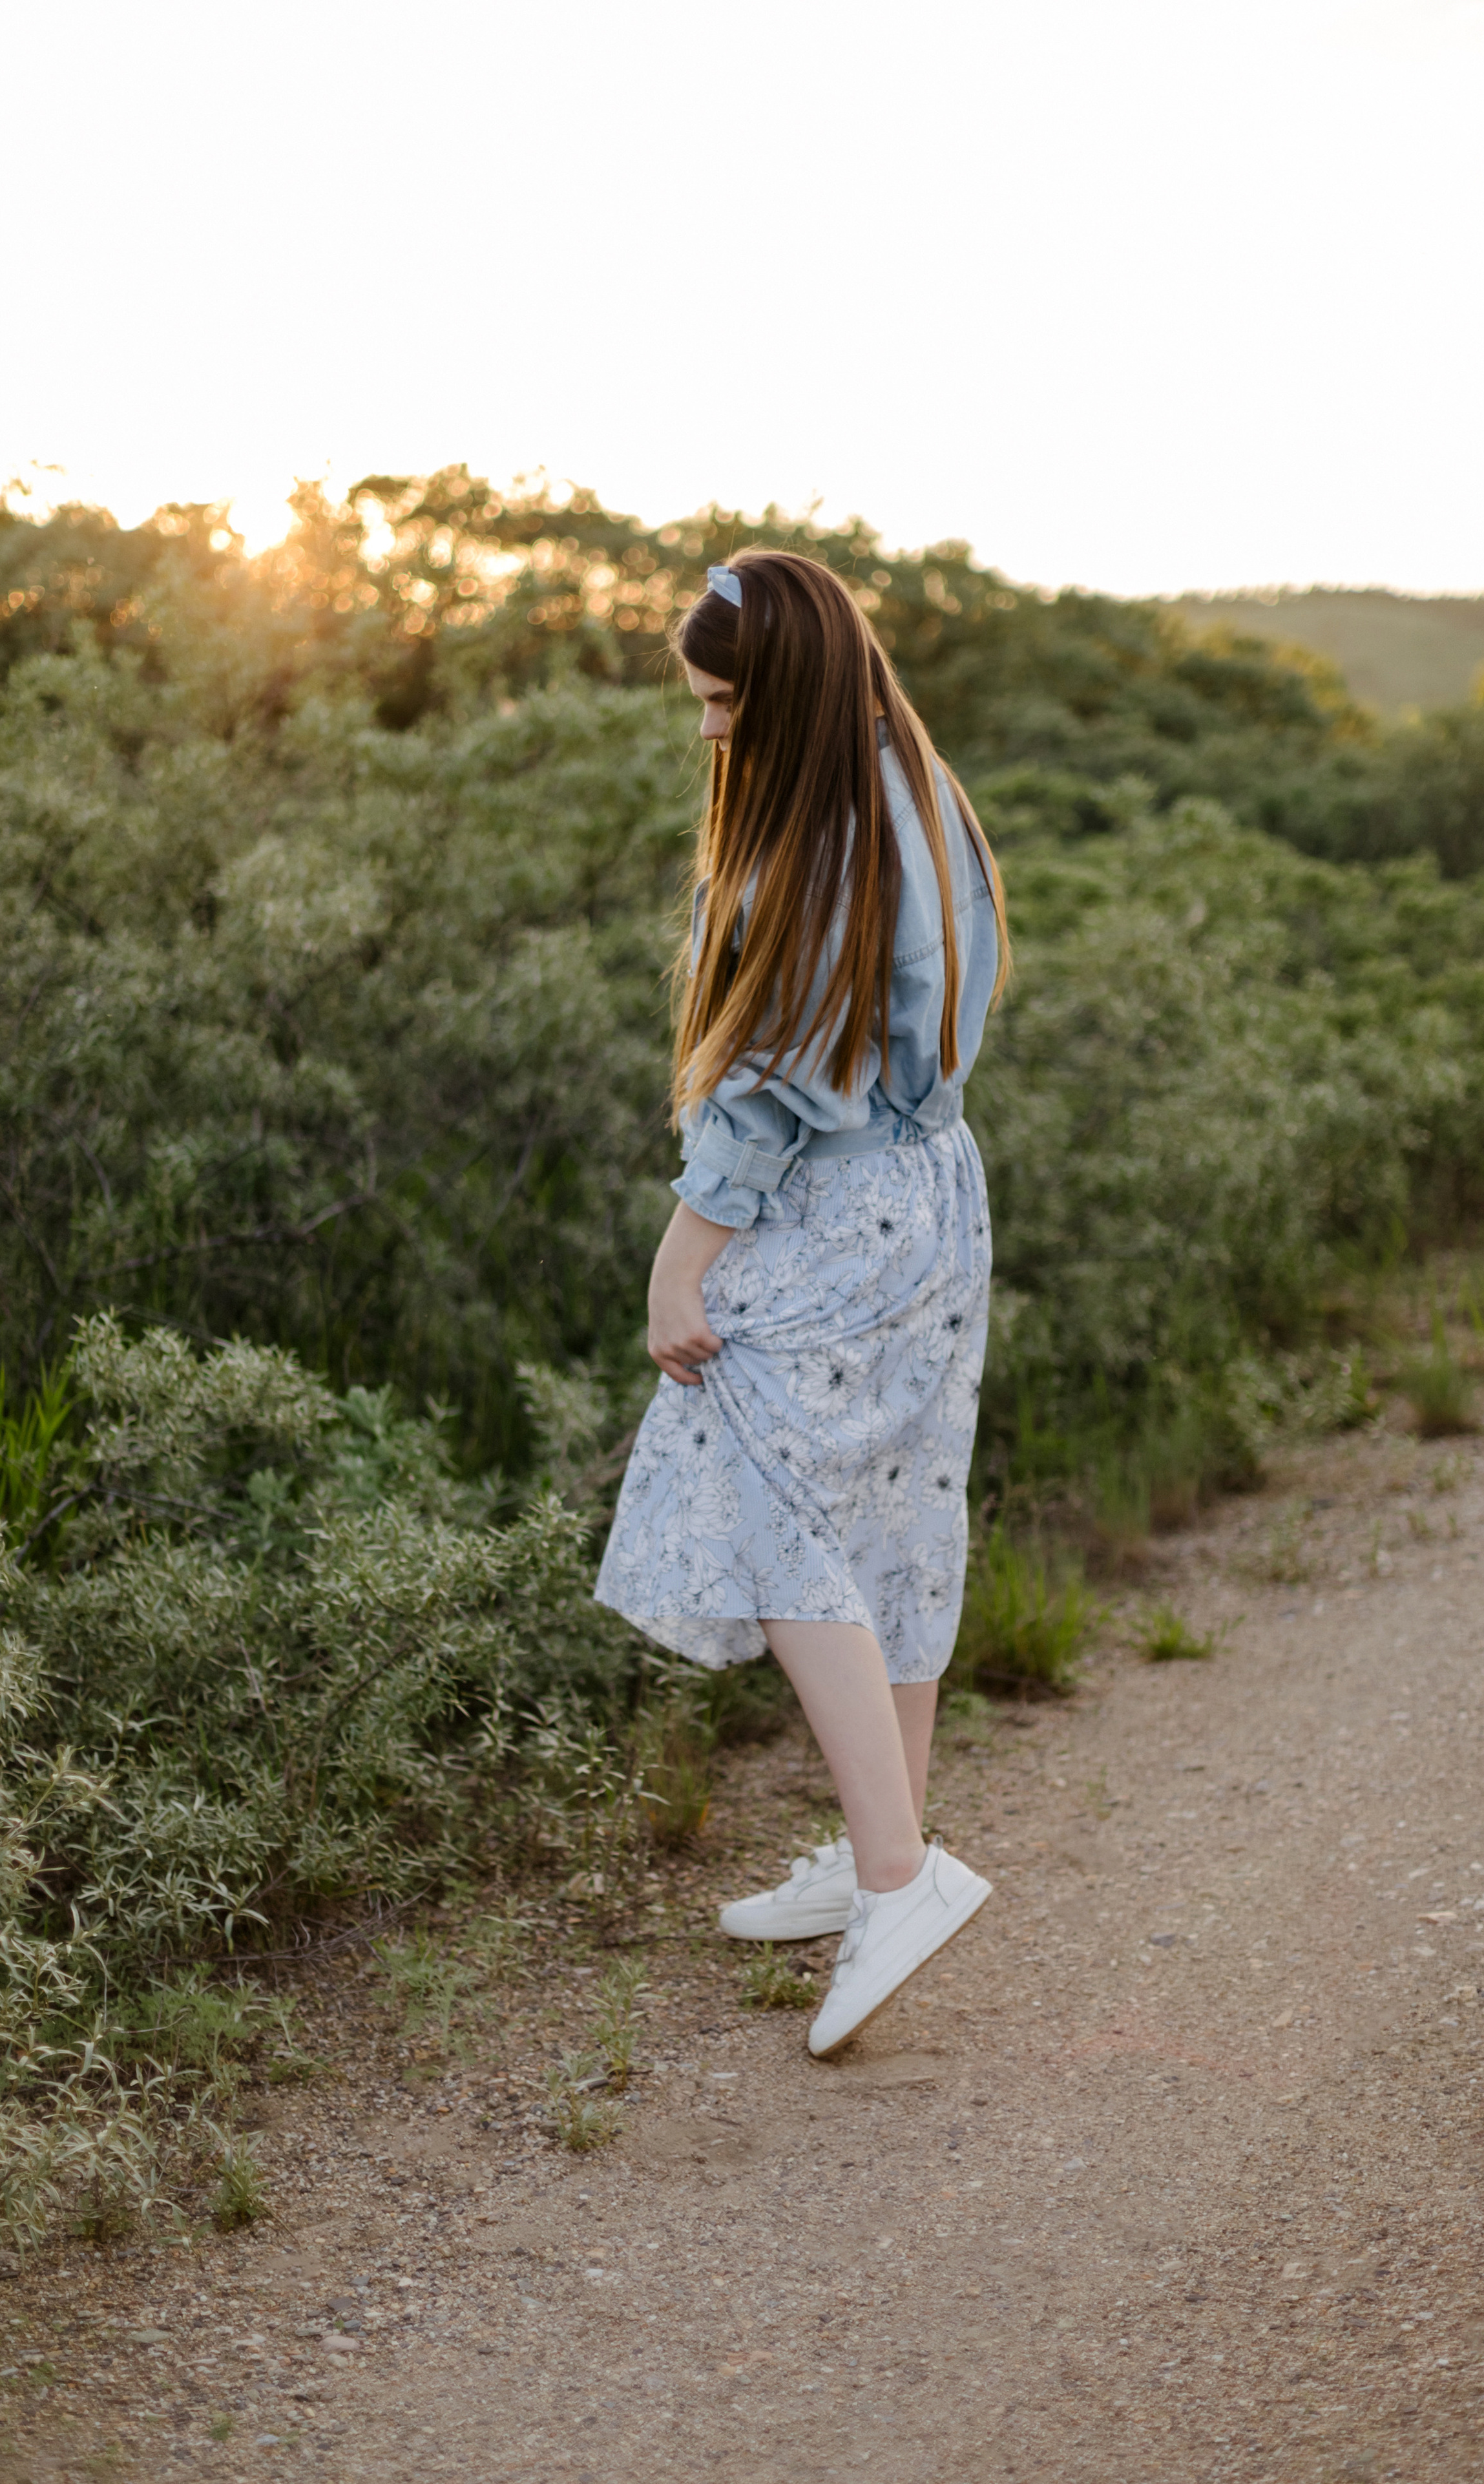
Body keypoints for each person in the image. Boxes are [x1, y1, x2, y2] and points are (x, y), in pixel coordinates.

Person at [594, 549, 1010, 2058]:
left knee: (766, 1485)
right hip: (933, 1184)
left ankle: (896, 1875)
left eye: (720, 702)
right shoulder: (911, 777)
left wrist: (680, 1255)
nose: (709, 732)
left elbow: (772, 1083)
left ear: (778, 690)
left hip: (840, 1199)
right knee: (888, 1505)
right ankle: (878, 1840)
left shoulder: (816, 836)